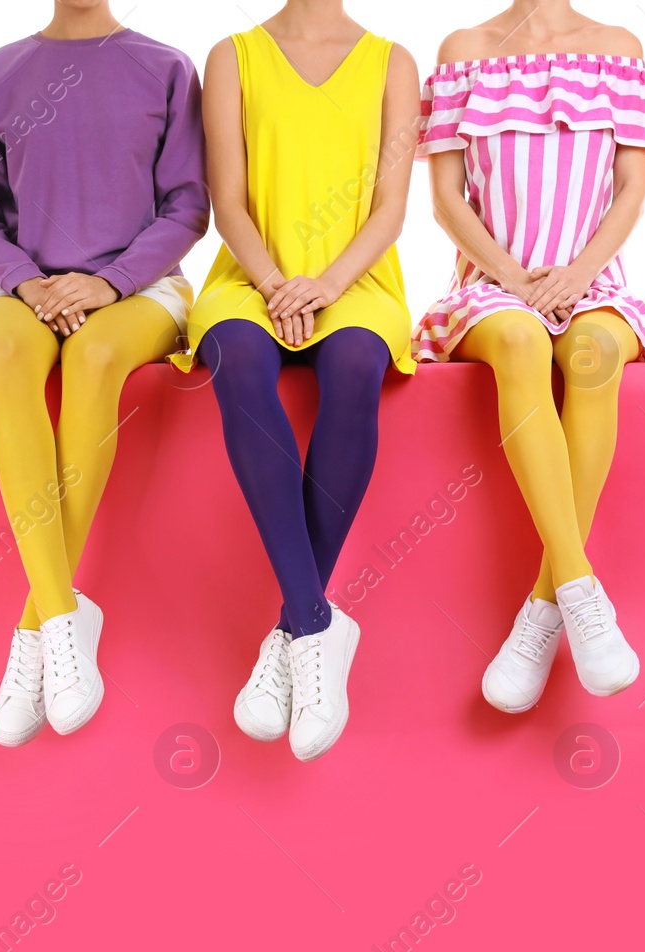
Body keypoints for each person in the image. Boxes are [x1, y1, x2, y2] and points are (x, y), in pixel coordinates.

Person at [0, 0, 208, 746]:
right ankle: (64, 615)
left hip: (139, 287)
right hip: (22, 286)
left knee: (94, 356)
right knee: (1, 350)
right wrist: (26, 281)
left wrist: (110, 282)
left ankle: (34, 630)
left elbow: (188, 206)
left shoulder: (164, 69)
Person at [417, 1, 645, 713]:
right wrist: (513, 277)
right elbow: (446, 199)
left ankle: (544, 607)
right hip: (492, 283)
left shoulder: (618, 47)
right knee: (521, 338)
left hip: (593, 282)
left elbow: (631, 190)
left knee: (593, 350)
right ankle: (579, 585)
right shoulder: (462, 48)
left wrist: (573, 275)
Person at [186, 1, 418, 760]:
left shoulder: (393, 63)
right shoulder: (233, 56)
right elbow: (230, 203)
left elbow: (390, 211)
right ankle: (317, 622)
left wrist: (323, 284)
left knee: (355, 364)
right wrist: (279, 283)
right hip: (253, 276)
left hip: (355, 280)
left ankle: (290, 630)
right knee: (237, 359)